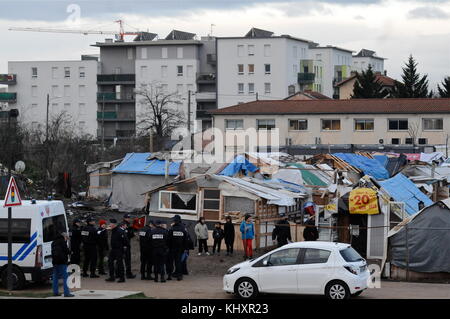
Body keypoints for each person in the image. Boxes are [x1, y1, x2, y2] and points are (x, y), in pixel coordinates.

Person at [51, 232, 74, 297]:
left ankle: (55, 292)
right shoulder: (62, 242)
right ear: (64, 237)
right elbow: (66, 250)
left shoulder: (53, 242)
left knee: (55, 277)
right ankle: (66, 293)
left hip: (55, 261)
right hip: (62, 261)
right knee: (65, 277)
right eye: (66, 238)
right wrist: (70, 252)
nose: (66, 239)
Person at [167, 215, 188, 281]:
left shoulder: (171, 229)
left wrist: (168, 248)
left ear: (175, 221)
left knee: (170, 262)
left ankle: (169, 276)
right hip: (180, 249)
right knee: (178, 262)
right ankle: (179, 276)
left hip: (172, 249)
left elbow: (168, 239)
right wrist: (185, 248)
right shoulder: (183, 229)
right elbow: (185, 240)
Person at [122, 213, 136, 279]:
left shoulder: (127, 225)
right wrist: (132, 231)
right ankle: (128, 274)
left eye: (129, 218)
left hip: (123, 244)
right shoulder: (124, 225)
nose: (129, 219)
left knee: (121, 260)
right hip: (125, 245)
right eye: (128, 218)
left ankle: (119, 273)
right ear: (124, 218)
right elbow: (129, 235)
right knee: (127, 260)